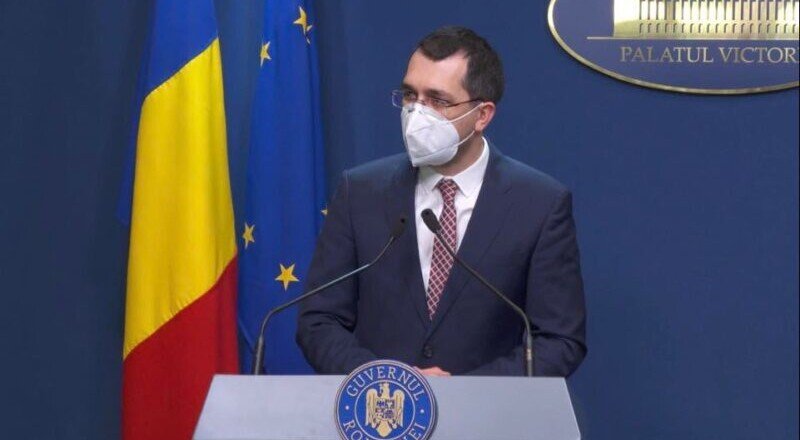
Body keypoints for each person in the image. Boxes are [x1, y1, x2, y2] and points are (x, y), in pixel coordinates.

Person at [297, 26, 586, 377]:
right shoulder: (360, 192)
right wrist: (389, 382)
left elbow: (559, 341)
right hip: (378, 404)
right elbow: (319, 320)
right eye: (410, 95)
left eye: (438, 100)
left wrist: (461, 392)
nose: (417, 112)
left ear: (482, 115)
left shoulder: (539, 204)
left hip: (485, 410)